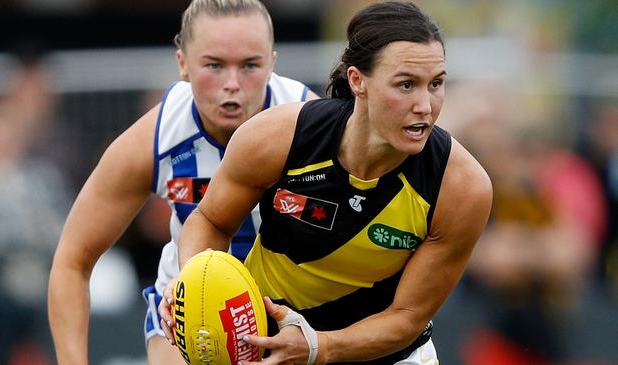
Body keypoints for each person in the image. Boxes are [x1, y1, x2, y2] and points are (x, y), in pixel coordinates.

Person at [159, 1, 492, 364]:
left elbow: (407, 317)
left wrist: (319, 346)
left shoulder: (461, 187)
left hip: (387, 356)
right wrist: (191, 282)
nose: (425, 106)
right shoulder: (277, 136)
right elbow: (210, 221)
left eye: (436, 84)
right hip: (269, 344)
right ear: (357, 81)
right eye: (406, 85)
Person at [47, 0, 318, 363]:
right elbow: (72, 261)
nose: (232, 85)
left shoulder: (312, 127)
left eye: (250, 65)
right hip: (188, 313)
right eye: (214, 65)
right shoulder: (154, 138)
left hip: (295, 312)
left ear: (272, 63)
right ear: (183, 65)